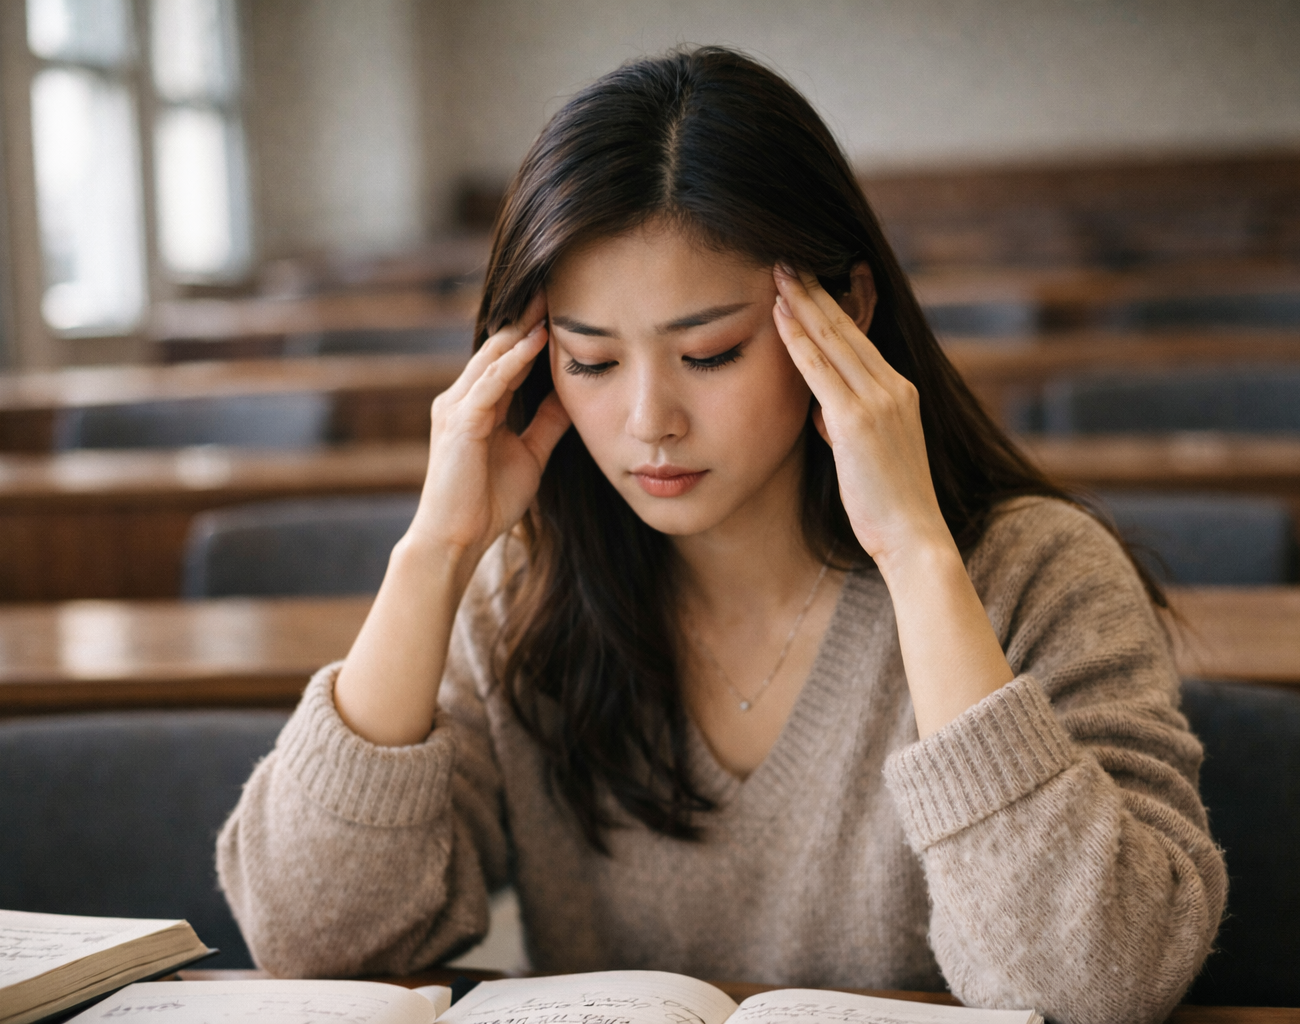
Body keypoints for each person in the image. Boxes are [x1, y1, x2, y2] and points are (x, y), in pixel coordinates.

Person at [217, 47, 1225, 1024]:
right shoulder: (521, 593)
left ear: (846, 311)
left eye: (709, 352)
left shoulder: (1038, 573)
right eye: (593, 361)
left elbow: (1099, 987)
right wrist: (432, 554)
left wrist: (918, 558)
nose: (649, 418)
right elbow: (314, 942)